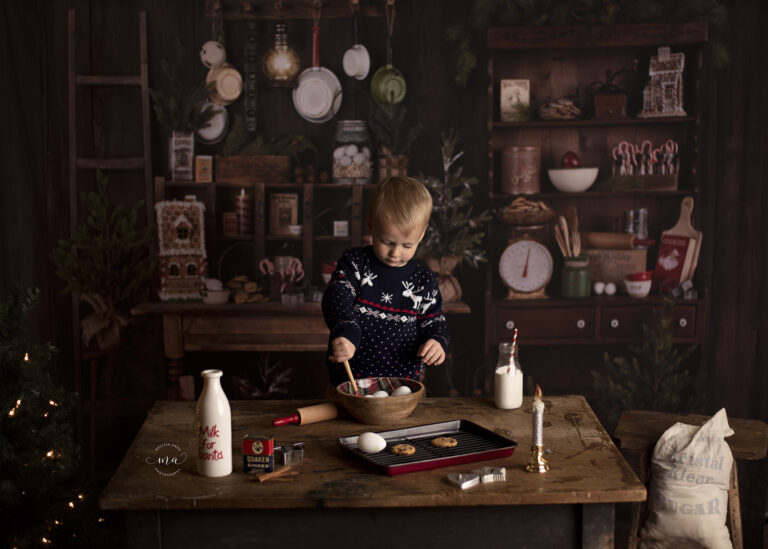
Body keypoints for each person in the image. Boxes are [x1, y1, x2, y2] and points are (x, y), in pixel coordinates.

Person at [322, 176, 449, 387]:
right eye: (387, 242)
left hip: (402, 384)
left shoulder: (424, 281)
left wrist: (437, 341)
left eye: (407, 245)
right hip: (351, 381)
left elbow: (434, 321)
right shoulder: (356, 263)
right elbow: (337, 295)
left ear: (421, 235)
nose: (395, 253)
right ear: (371, 224)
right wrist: (346, 330)